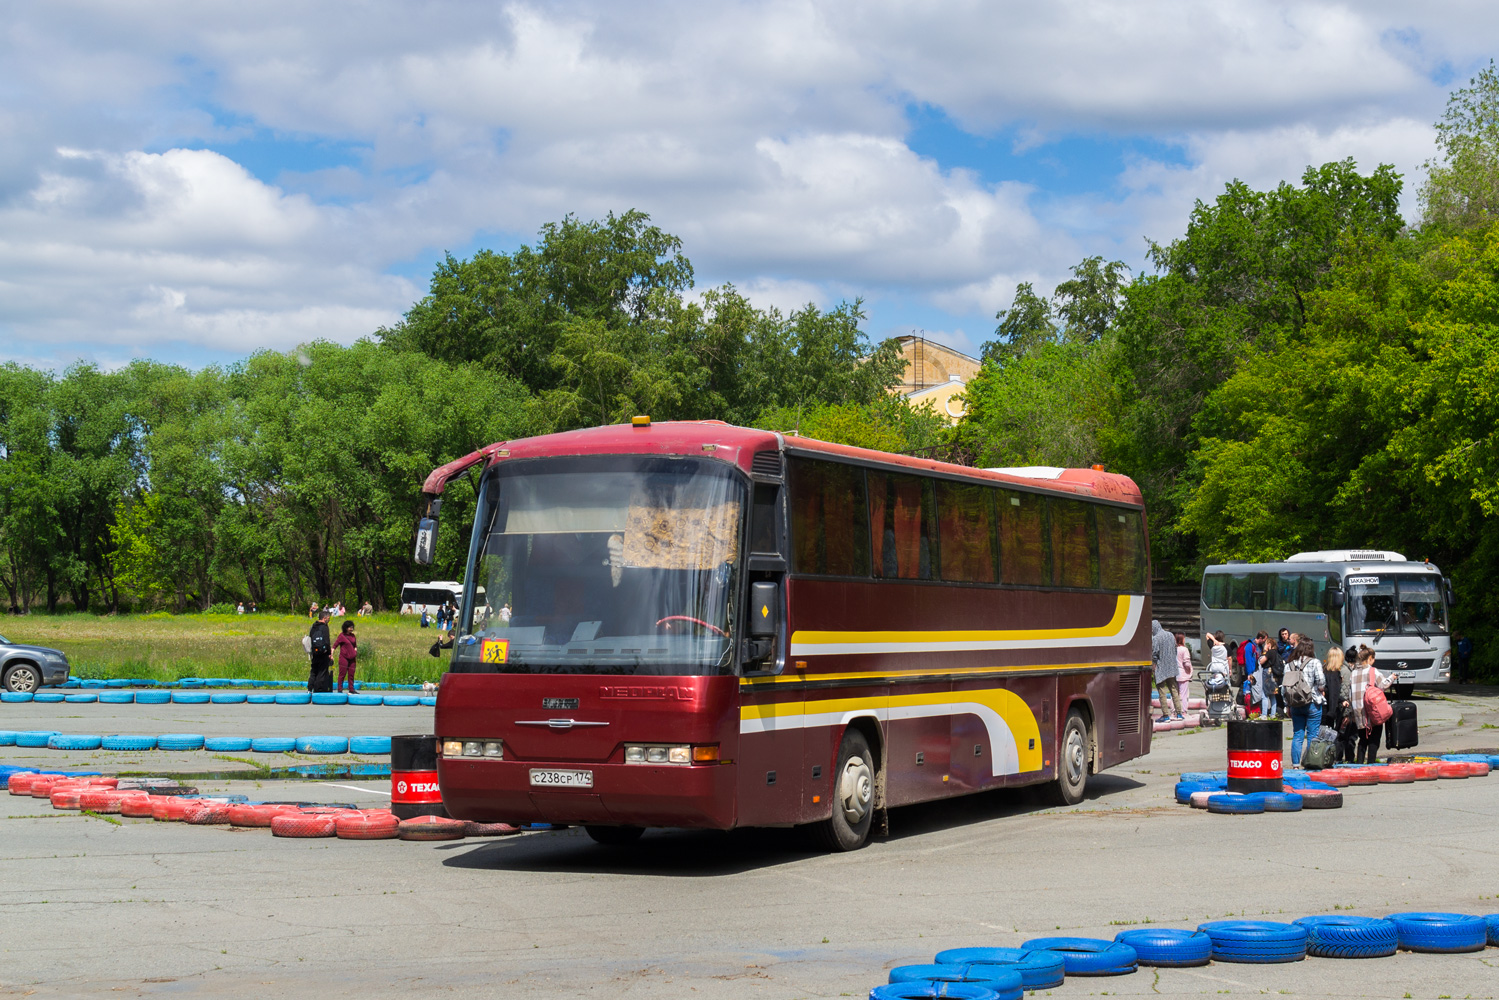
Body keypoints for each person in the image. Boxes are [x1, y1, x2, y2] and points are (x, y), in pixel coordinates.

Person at [1348, 644, 1395, 764]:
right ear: (1369, 659)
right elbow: (1383, 684)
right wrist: (1392, 677)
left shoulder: (1353, 673)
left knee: (1362, 740)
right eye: (1373, 658)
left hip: (1359, 712)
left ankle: (1359, 764)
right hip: (1372, 711)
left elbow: (1350, 694)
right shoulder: (1372, 671)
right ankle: (1371, 764)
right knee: (1374, 740)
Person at [1285, 636, 1326, 768]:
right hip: (1312, 701)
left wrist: (1288, 704)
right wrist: (1321, 689)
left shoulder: (1289, 664)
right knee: (1312, 735)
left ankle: (1295, 765)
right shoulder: (1315, 662)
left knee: (1297, 734)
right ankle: (1310, 763)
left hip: (1295, 704)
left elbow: (1284, 687)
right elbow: (1321, 682)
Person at [1151, 619, 1181, 721]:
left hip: (1161, 667)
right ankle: (1179, 713)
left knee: (1162, 692)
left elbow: (1155, 653)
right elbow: (1175, 649)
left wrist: (1153, 666)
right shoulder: (1170, 635)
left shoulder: (1156, 638)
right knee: (1174, 690)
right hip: (1172, 666)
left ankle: (1165, 715)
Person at [1322, 645, 1345, 750]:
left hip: (1322, 707)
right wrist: (1332, 712)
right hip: (1329, 709)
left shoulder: (1324, 670)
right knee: (1330, 737)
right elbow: (1333, 693)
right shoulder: (1334, 674)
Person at [307, 611, 333, 693]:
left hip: (315, 653)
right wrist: (329, 654)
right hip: (323, 653)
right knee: (322, 672)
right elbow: (327, 641)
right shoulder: (324, 627)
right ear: (324, 618)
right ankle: (318, 690)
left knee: (314, 671)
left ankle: (310, 689)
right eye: (328, 618)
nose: (328, 620)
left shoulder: (313, 626)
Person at [1256, 631, 1280, 720]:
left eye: (1266, 644)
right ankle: (1273, 714)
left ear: (1269, 644)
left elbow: (1261, 661)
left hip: (1267, 674)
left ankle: (1264, 714)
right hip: (1274, 675)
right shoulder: (1276, 652)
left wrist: (1265, 651)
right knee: (1273, 695)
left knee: (1265, 694)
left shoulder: (1269, 652)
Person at [333, 620, 358, 693]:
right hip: (344, 657)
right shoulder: (341, 636)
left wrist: (355, 651)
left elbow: (355, 645)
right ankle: (340, 689)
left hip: (352, 658)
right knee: (342, 674)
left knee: (351, 674)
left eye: (352, 627)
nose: (351, 628)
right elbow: (335, 645)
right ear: (346, 628)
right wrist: (331, 654)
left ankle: (351, 689)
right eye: (350, 627)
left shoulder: (353, 636)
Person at [1175, 632, 1193, 721]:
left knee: (1174, 694)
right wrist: (1189, 670)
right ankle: (1183, 712)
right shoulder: (1184, 650)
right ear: (1182, 639)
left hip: (1174, 674)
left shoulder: (1173, 649)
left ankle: (1174, 711)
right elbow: (1186, 662)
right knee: (1184, 694)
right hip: (1183, 674)